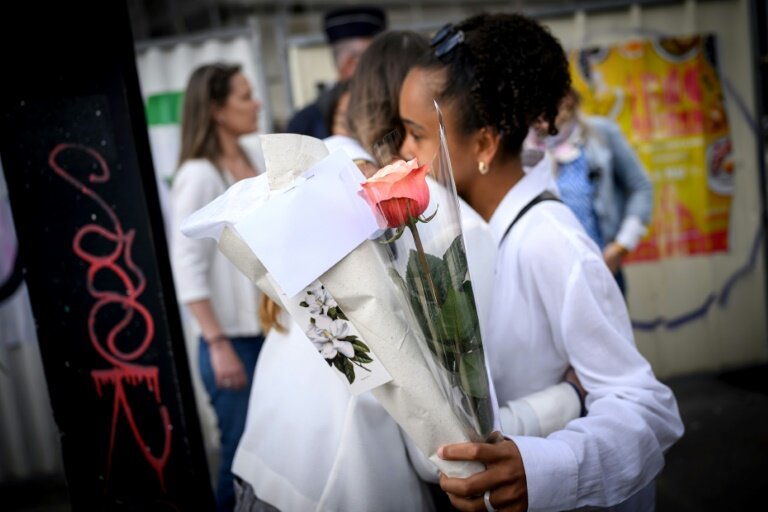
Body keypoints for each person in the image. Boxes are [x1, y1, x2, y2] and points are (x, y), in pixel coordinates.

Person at [232, 30, 586, 512]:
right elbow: (451, 450)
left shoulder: (310, 191)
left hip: (259, 474)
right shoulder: (432, 222)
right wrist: (568, 398)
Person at [398, 13, 683, 512]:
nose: (403, 151)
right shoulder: (485, 233)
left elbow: (648, 408)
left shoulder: (551, 241)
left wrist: (541, 468)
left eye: (416, 135)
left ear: (483, 143)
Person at [169, 62, 265, 512]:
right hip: (232, 344)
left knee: (269, 458)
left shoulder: (252, 158)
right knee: (241, 461)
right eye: (245, 96)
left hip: (266, 336)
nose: (256, 103)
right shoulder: (199, 174)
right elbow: (186, 268)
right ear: (217, 110)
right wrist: (217, 342)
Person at [525, 88, 653, 294]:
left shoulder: (601, 133)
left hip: (602, 268)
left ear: (568, 100)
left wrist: (622, 245)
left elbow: (640, 187)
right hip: (552, 276)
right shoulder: (526, 147)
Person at [284, 5, 386, 139]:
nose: (384, 69)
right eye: (378, 60)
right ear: (350, 63)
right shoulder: (306, 124)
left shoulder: (304, 121)